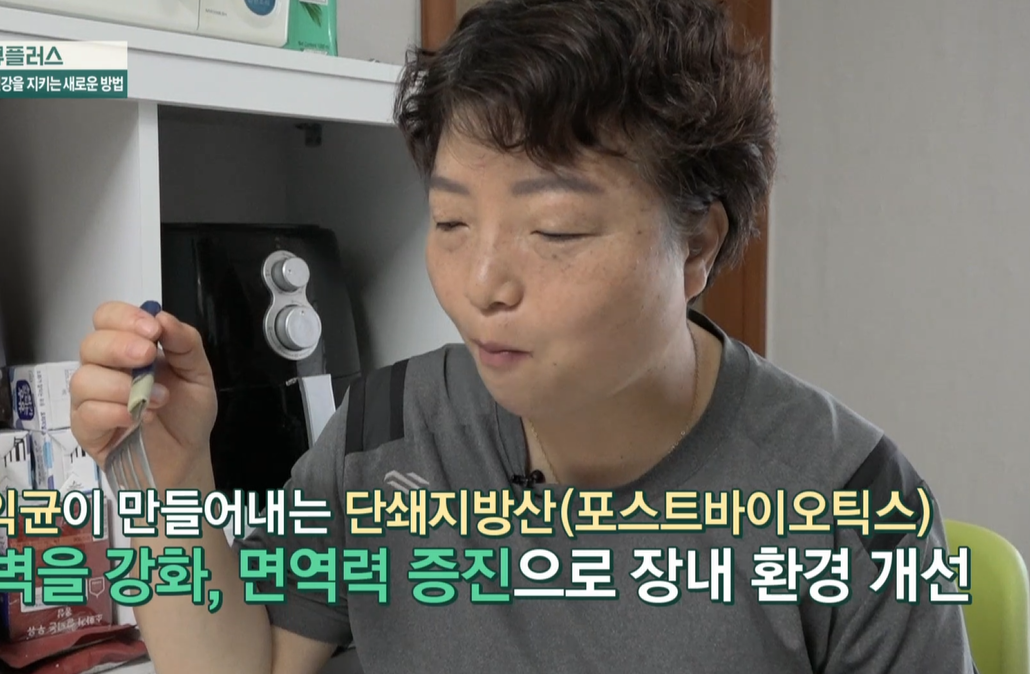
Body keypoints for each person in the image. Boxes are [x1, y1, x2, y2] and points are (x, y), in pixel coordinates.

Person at [70, 0, 977, 672]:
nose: (482, 285)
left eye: (555, 232)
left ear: (697, 246)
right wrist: (161, 478)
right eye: (452, 223)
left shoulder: (852, 503)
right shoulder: (384, 435)